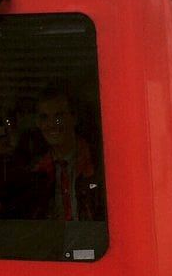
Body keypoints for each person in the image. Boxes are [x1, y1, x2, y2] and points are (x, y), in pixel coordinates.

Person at [15, 88, 105, 221]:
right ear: (38, 123)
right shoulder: (36, 171)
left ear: (74, 118)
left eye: (58, 117)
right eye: (44, 118)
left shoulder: (97, 161)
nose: (51, 125)